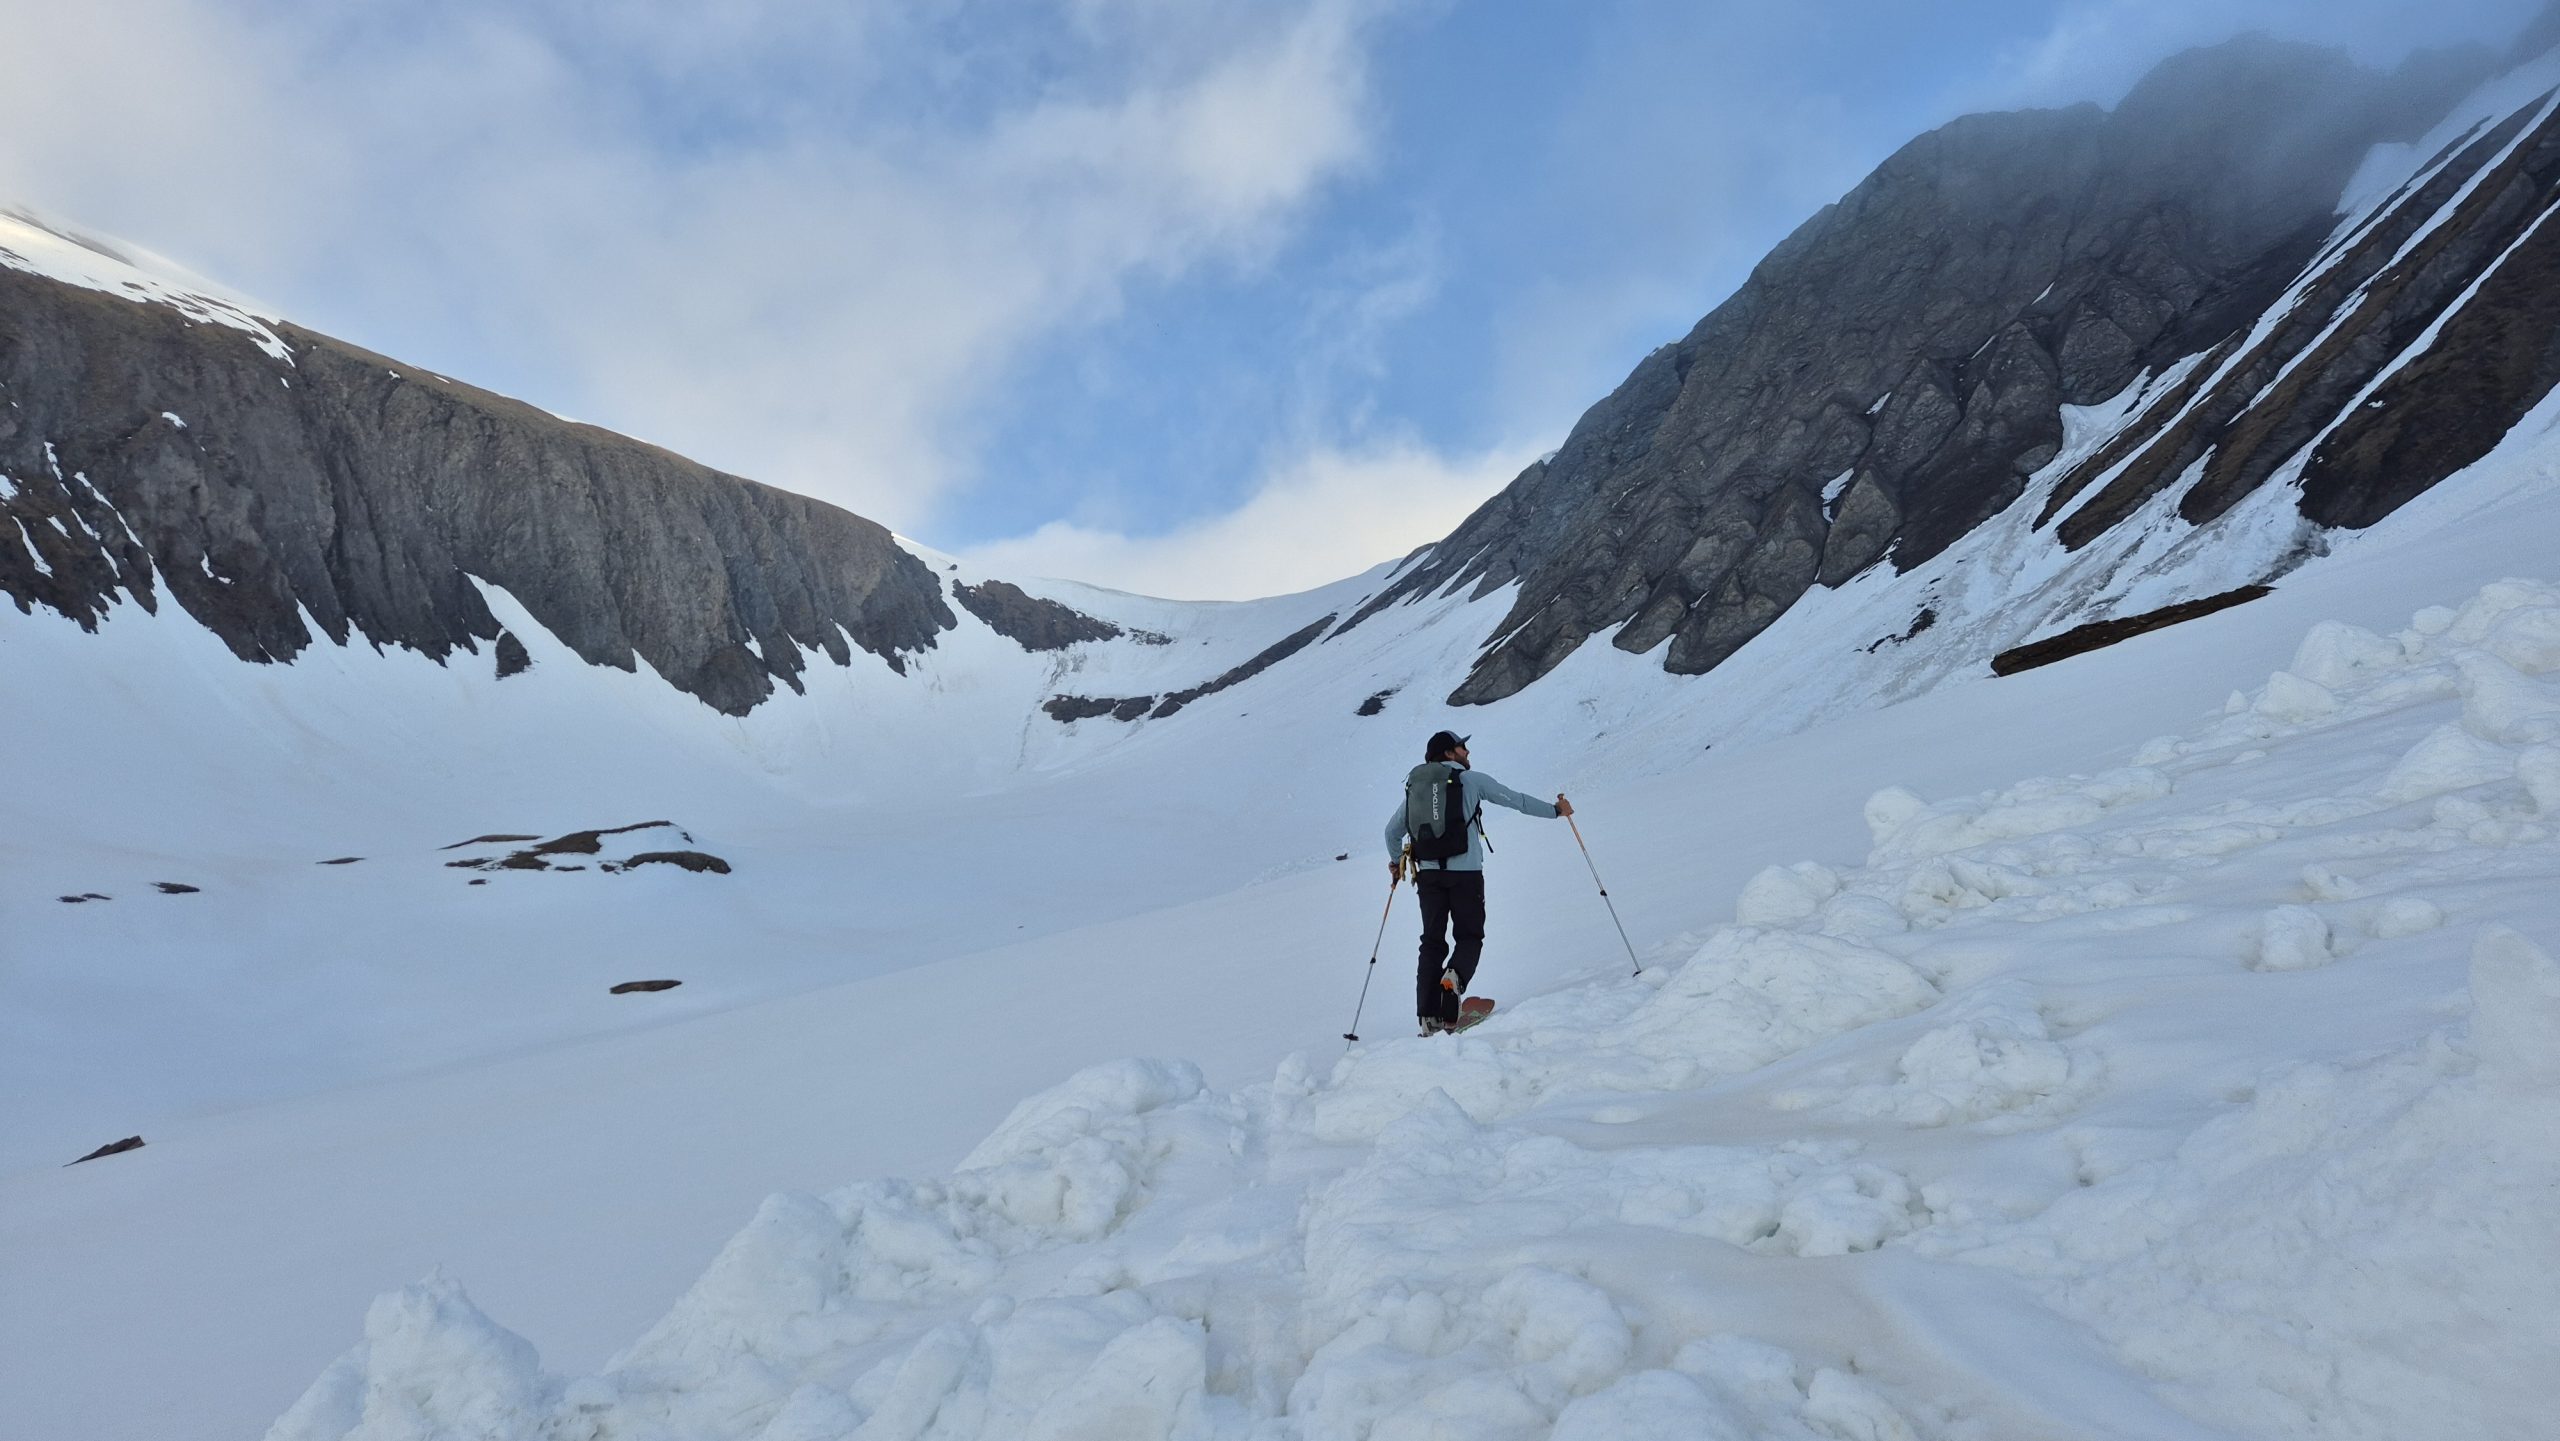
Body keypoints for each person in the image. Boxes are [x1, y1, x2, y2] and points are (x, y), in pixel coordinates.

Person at [1384, 730, 1572, 1036]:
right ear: (1448, 753)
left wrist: (1396, 864)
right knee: (1469, 936)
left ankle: (1428, 1017)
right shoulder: (1471, 781)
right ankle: (1454, 979)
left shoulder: (1415, 789)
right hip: (1466, 874)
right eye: (1462, 748)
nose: (1467, 753)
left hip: (1429, 877)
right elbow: (1517, 800)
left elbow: (1391, 833)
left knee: (1431, 942)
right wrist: (1555, 811)